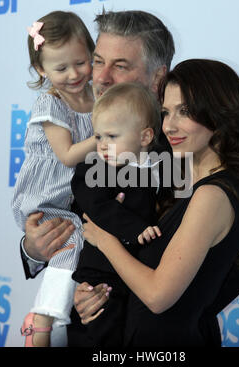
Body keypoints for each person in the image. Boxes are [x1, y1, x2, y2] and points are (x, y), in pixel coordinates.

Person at [81, 59, 239, 347]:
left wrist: (105, 240)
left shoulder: (212, 196)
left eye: (185, 111)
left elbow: (157, 296)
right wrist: (95, 296)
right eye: (166, 112)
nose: (169, 125)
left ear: (219, 114)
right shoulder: (178, 183)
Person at [12, 11, 96, 347]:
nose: (74, 74)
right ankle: (43, 320)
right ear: (42, 70)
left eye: (81, 62)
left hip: (65, 196)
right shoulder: (50, 103)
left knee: (75, 239)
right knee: (74, 238)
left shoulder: (99, 98)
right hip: (43, 197)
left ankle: (44, 321)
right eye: (61, 68)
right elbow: (67, 155)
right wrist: (106, 134)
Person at [69, 81, 172, 346]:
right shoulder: (93, 169)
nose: (102, 145)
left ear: (145, 137)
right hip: (101, 273)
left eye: (112, 136)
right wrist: (135, 229)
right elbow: (98, 209)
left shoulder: (160, 163)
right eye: (99, 136)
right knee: (103, 332)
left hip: (139, 274)